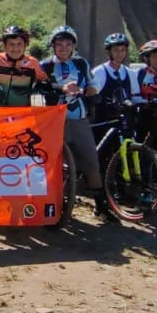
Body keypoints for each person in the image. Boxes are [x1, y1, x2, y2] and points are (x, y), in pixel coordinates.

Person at [40, 25, 105, 200]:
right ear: (53, 46)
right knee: (54, 164)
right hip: (54, 121)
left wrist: (92, 89)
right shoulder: (45, 65)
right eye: (59, 44)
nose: (64, 48)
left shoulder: (80, 63)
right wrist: (61, 89)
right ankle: (54, 200)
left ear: (74, 46)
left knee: (91, 160)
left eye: (68, 44)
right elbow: (39, 88)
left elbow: (94, 82)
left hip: (79, 119)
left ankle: (100, 203)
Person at [0, 26, 56, 107]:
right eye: (11, 44)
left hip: (22, 113)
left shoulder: (32, 63)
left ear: (25, 45)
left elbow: (45, 83)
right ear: (4, 45)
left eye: (19, 44)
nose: (15, 48)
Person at [90, 32, 135, 121]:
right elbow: (91, 96)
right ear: (108, 52)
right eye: (116, 50)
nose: (120, 54)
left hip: (126, 122)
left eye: (123, 50)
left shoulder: (130, 73)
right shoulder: (99, 72)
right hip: (105, 122)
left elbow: (136, 97)